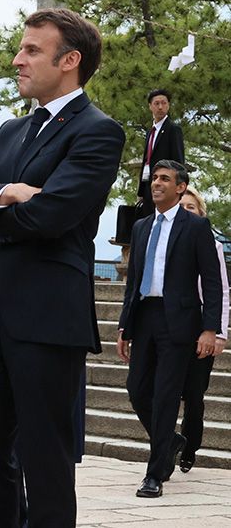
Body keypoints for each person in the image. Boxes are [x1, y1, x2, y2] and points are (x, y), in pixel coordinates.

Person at [0, 8, 125, 527]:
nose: (16, 60)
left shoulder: (98, 131)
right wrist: (9, 192)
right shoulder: (10, 130)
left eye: (30, 50)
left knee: (46, 462)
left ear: (69, 61)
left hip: (49, 321)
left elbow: (53, 214)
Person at [117, 160, 223, 497]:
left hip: (179, 322)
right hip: (145, 316)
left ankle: (154, 474)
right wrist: (124, 326)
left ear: (180, 188)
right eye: (155, 178)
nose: (157, 183)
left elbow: (213, 281)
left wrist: (211, 329)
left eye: (165, 179)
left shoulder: (195, 227)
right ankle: (172, 441)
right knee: (136, 390)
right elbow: (133, 281)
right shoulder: (141, 227)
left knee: (165, 397)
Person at [175, 186, 229, 473]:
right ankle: (167, 444)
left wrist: (219, 332)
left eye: (191, 208)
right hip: (172, 325)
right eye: (181, 207)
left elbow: (220, 288)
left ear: (201, 213)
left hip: (201, 326)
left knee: (194, 394)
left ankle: (190, 447)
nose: (185, 211)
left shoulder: (212, 244)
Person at [135, 89, 184, 219]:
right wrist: (140, 191)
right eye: (156, 103)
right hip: (148, 184)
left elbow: (178, 162)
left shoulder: (173, 129)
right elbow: (146, 159)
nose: (160, 107)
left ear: (168, 105)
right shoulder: (150, 131)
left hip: (165, 186)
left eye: (164, 103)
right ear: (150, 106)